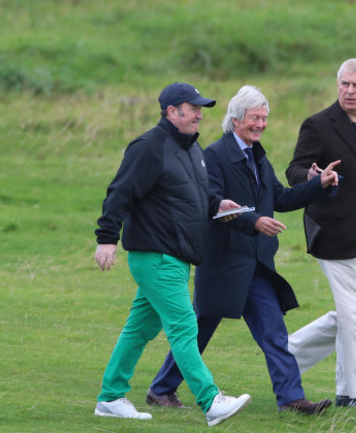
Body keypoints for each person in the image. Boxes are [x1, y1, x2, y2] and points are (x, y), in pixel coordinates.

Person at [146, 85, 340, 415]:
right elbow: (212, 205)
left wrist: (317, 186)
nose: (261, 124)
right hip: (223, 263)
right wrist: (254, 221)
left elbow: (279, 198)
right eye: (255, 118)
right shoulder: (215, 156)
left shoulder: (258, 156)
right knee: (198, 330)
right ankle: (162, 389)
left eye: (264, 118)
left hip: (256, 264)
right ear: (236, 119)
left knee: (274, 332)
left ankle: (292, 398)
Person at [93, 82, 251, 427]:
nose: (199, 114)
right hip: (156, 256)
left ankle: (109, 397)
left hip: (177, 258)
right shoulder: (150, 147)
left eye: (200, 108)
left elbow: (190, 197)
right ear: (171, 112)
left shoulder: (192, 150)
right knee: (184, 325)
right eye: (192, 108)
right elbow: (120, 193)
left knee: (138, 330)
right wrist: (107, 238)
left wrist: (217, 205)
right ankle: (211, 401)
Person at [285, 58, 356, 409]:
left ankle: (285, 356)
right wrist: (314, 177)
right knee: (353, 316)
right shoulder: (319, 125)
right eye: (344, 84)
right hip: (333, 232)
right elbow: (294, 169)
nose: (349, 91)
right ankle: (352, 394)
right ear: (337, 85)